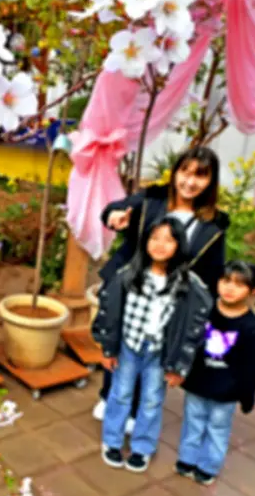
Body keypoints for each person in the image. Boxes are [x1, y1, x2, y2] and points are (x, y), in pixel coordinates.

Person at [94, 147, 229, 429]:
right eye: (186, 172)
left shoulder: (212, 224)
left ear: (211, 181)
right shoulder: (152, 199)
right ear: (175, 172)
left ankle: (135, 411)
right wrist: (114, 216)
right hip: (132, 287)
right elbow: (113, 209)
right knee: (120, 342)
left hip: (170, 297)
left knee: (154, 351)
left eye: (200, 176)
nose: (190, 182)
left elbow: (213, 271)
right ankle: (109, 397)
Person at [93, 217, 212, 473]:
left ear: (179, 245)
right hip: (129, 345)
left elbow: (194, 326)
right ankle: (111, 441)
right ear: (145, 241)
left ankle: (142, 447)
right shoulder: (129, 274)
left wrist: (180, 365)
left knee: (151, 400)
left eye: (169, 240)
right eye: (154, 237)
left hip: (159, 351)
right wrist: (107, 347)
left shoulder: (187, 284)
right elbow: (110, 310)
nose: (160, 245)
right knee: (120, 393)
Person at [176, 261, 255, 485]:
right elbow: (187, 339)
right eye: (226, 281)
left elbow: (253, 365)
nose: (230, 288)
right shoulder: (205, 309)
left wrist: (247, 396)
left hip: (226, 391)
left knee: (217, 427)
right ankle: (187, 459)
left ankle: (208, 466)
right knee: (192, 422)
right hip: (197, 382)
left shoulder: (252, 326)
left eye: (239, 284)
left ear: (252, 292)